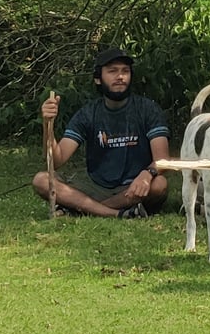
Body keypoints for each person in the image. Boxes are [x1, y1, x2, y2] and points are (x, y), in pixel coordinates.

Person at [34, 47, 172, 217]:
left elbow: (163, 160)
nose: (120, 77)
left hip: (134, 187)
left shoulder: (147, 109)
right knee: (41, 180)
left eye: (125, 71)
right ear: (98, 79)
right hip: (96, 186)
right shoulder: (88, 113)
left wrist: (147, 174)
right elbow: (56, 159)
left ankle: (83, 210)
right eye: (112, 71)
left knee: (159, 184)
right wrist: (48, 124)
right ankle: (115, 213)